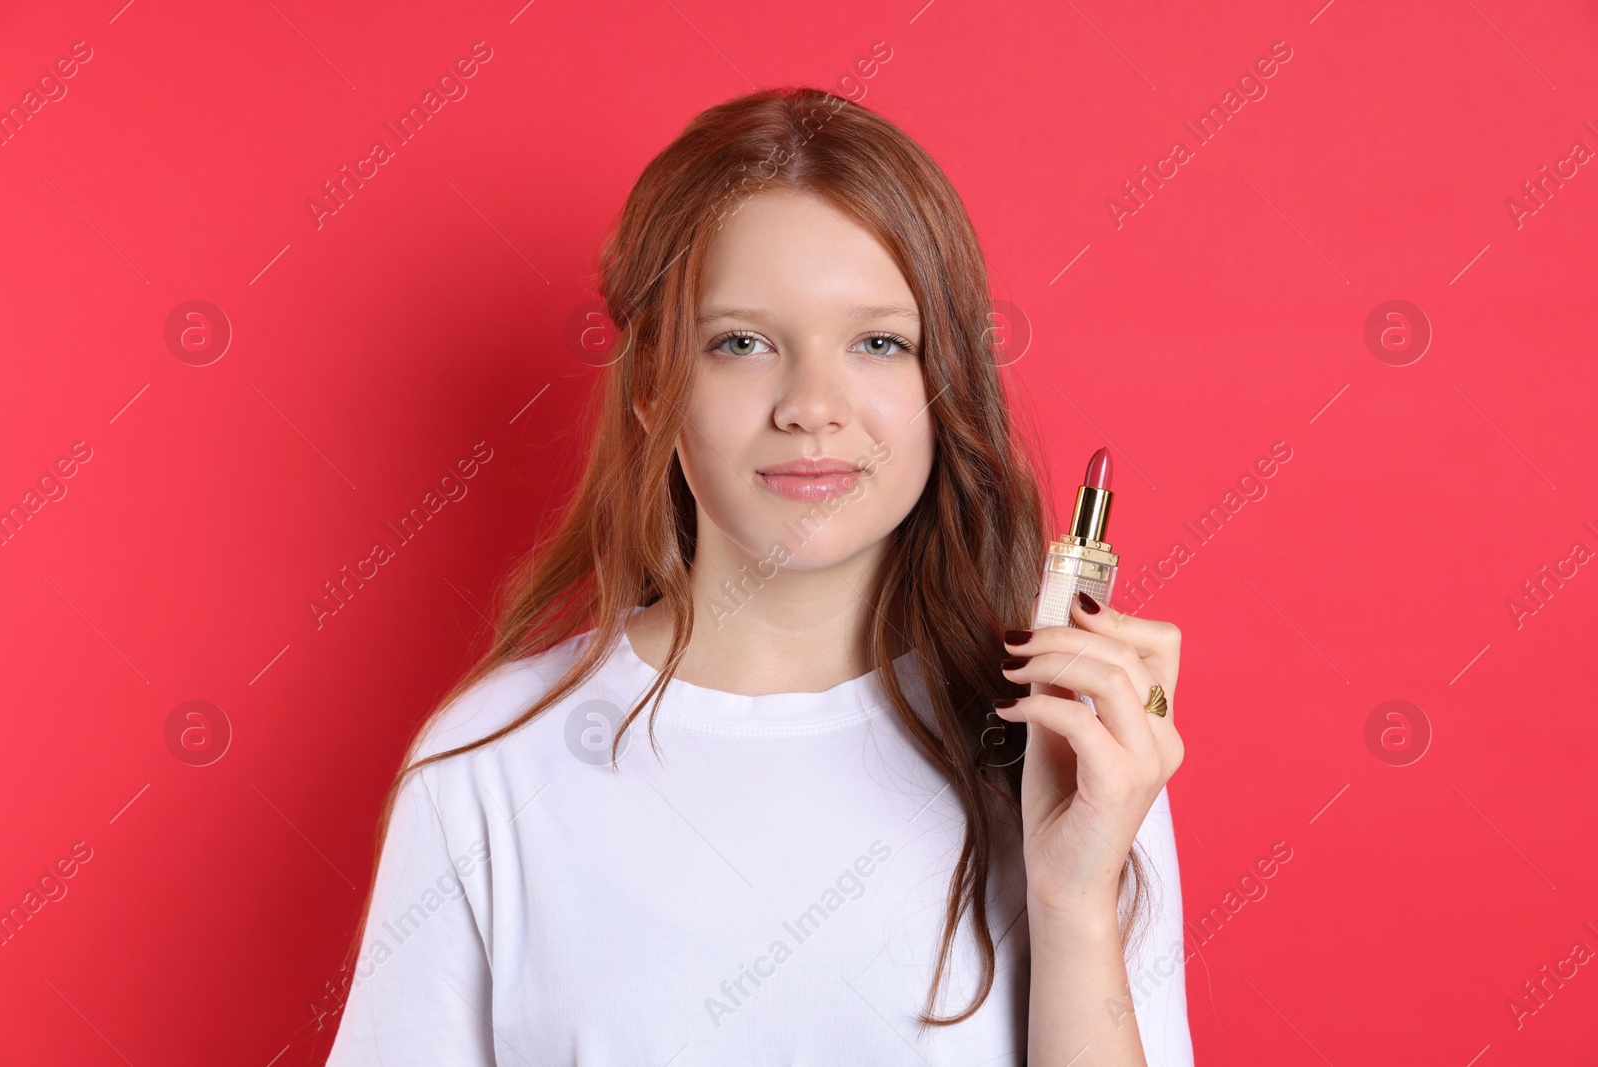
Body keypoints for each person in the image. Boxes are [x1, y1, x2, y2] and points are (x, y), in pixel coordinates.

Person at [326, 86, 1191, 1066]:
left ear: (940, 381)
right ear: (653, 384)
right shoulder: (490, 761)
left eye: (877, 341)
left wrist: (1073, 901)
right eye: (741, 341)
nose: (813, 406)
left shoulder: (1072, 753)